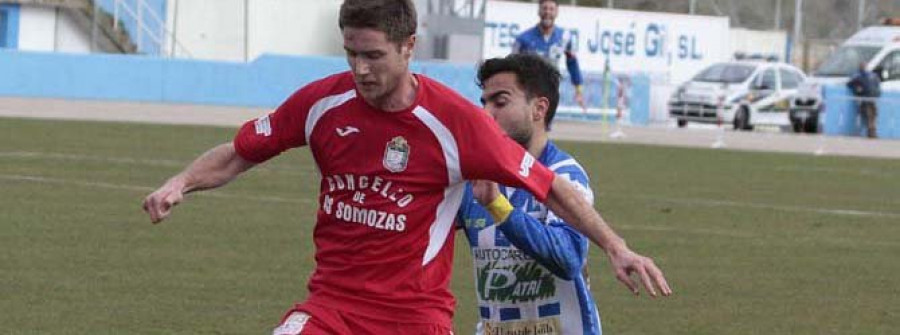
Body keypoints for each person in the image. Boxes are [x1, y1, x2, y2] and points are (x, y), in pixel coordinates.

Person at [142, 1, 670, 334]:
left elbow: (548, 186)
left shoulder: (457, 123)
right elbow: (241, 151)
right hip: (332, 308)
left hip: (414, 318)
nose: (359, 68)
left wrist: (616, 246)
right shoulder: (321, 104)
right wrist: (182, 181)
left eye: (372, 55)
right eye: (350, 52)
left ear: (408, 47)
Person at [457, 54, 605, 335]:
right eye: (484, 103)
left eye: (500, 102)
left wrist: (497, 205)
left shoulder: (566, 175)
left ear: (539, 109)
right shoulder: (475, 177)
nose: (486, 114)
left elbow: (568, 257)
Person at [513, 0, 586, 110]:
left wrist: (578, 90)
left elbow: (572, 63)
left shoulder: (565, 37)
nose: (547, 12)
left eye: (551, 9)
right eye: (544, 8)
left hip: (551, 90)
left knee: (545, 124)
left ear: (557, 12)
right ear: (539, 11)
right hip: (529, 91)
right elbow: (512, 66)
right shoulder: (523, 39)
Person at [847, 62, 881, 138]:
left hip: (868, 98)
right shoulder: (871, 75)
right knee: (871, 115)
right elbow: (877, 85)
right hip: (870, 98)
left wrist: (857, 90)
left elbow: (849, 84)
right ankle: (872, 132)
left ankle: (872, 132)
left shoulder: (861, 76)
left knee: (871, 115)